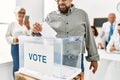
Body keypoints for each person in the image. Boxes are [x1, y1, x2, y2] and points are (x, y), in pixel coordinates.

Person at [32, 0, 99, 80]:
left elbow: (89, 37)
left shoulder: (82, 15)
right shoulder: (50, 16)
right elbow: (42, 37)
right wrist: (35, 32)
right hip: (55, 60)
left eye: (63, 0)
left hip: (76, 60)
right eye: (58, 0)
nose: (60, 2)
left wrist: (94, 58)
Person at [5, 6, 31, 78]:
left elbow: (31, 36)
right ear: (16, 13)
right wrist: (13, 39)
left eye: (23, 13)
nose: (22, 14)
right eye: (20, 12)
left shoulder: (26, 24)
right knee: (17, 66)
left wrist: (28, 27)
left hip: (26, 48)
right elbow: (7, 36)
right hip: (16, 47)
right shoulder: (12, 24)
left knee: (26, 66)